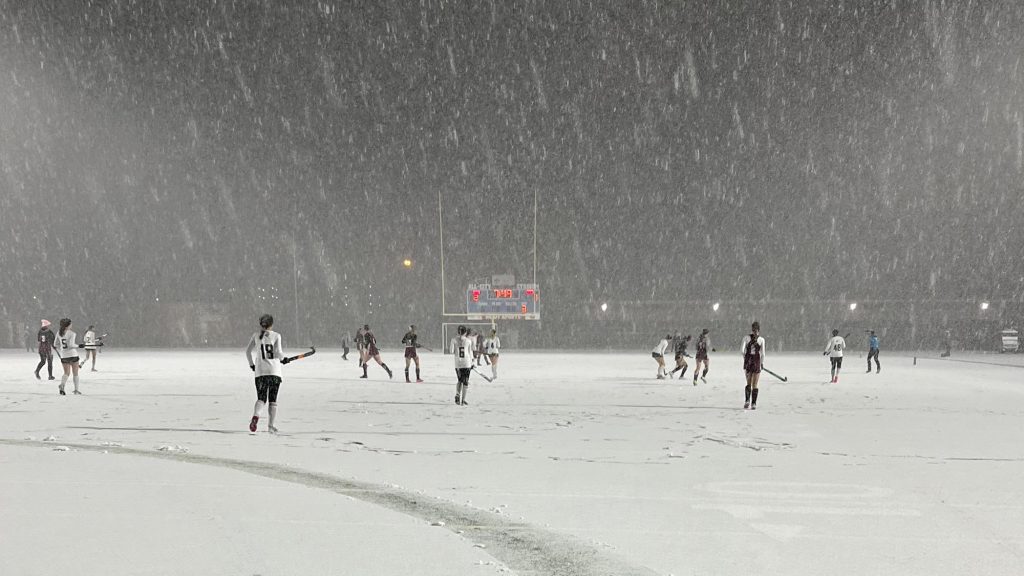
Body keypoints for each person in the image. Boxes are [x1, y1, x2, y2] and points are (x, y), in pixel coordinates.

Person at [244, 314, 290, 434]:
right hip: (274, 372)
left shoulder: (256, 336)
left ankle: (256, 416)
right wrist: (284, 359)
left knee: (261, 398)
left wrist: (252, 365)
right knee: (272, 400)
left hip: (260, 372)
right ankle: (271, 426)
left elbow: (248, 352)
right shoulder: (276, 335)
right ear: (271, 324)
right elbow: (278, 353)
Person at [52, 318, 81, 395]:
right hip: (73, 355)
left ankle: (62, 385)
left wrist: (61, 347)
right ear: (67, 325)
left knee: (66, 373)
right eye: (71, 324)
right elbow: (71, 345)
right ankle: (76, 390)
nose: (72, 325)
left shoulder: (59, 333)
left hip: (64, 356)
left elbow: (55, 344)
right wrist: (79, 346)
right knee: (75, 373)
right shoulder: (72, 333)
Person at [741, 321, 766, 409]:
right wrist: (761, 363)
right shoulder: (761, 340)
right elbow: (763, 354)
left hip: (748, 361)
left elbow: (742, 351)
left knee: (748, 383)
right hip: (756, 362)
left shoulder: (746, 338)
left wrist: (746, 359)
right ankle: (753, 403)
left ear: (752, 329)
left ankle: (747, 401)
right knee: (755, 384)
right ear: (759, 330)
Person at [450, 325, 474, 405]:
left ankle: (457, 394)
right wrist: (472, 362)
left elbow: (451, 351)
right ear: (465, 332)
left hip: (458, 364)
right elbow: (470, 353)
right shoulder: (468, 341)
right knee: (465, 382)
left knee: (460, 380)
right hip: (467, 363)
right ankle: (463, 400)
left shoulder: (453, 340)